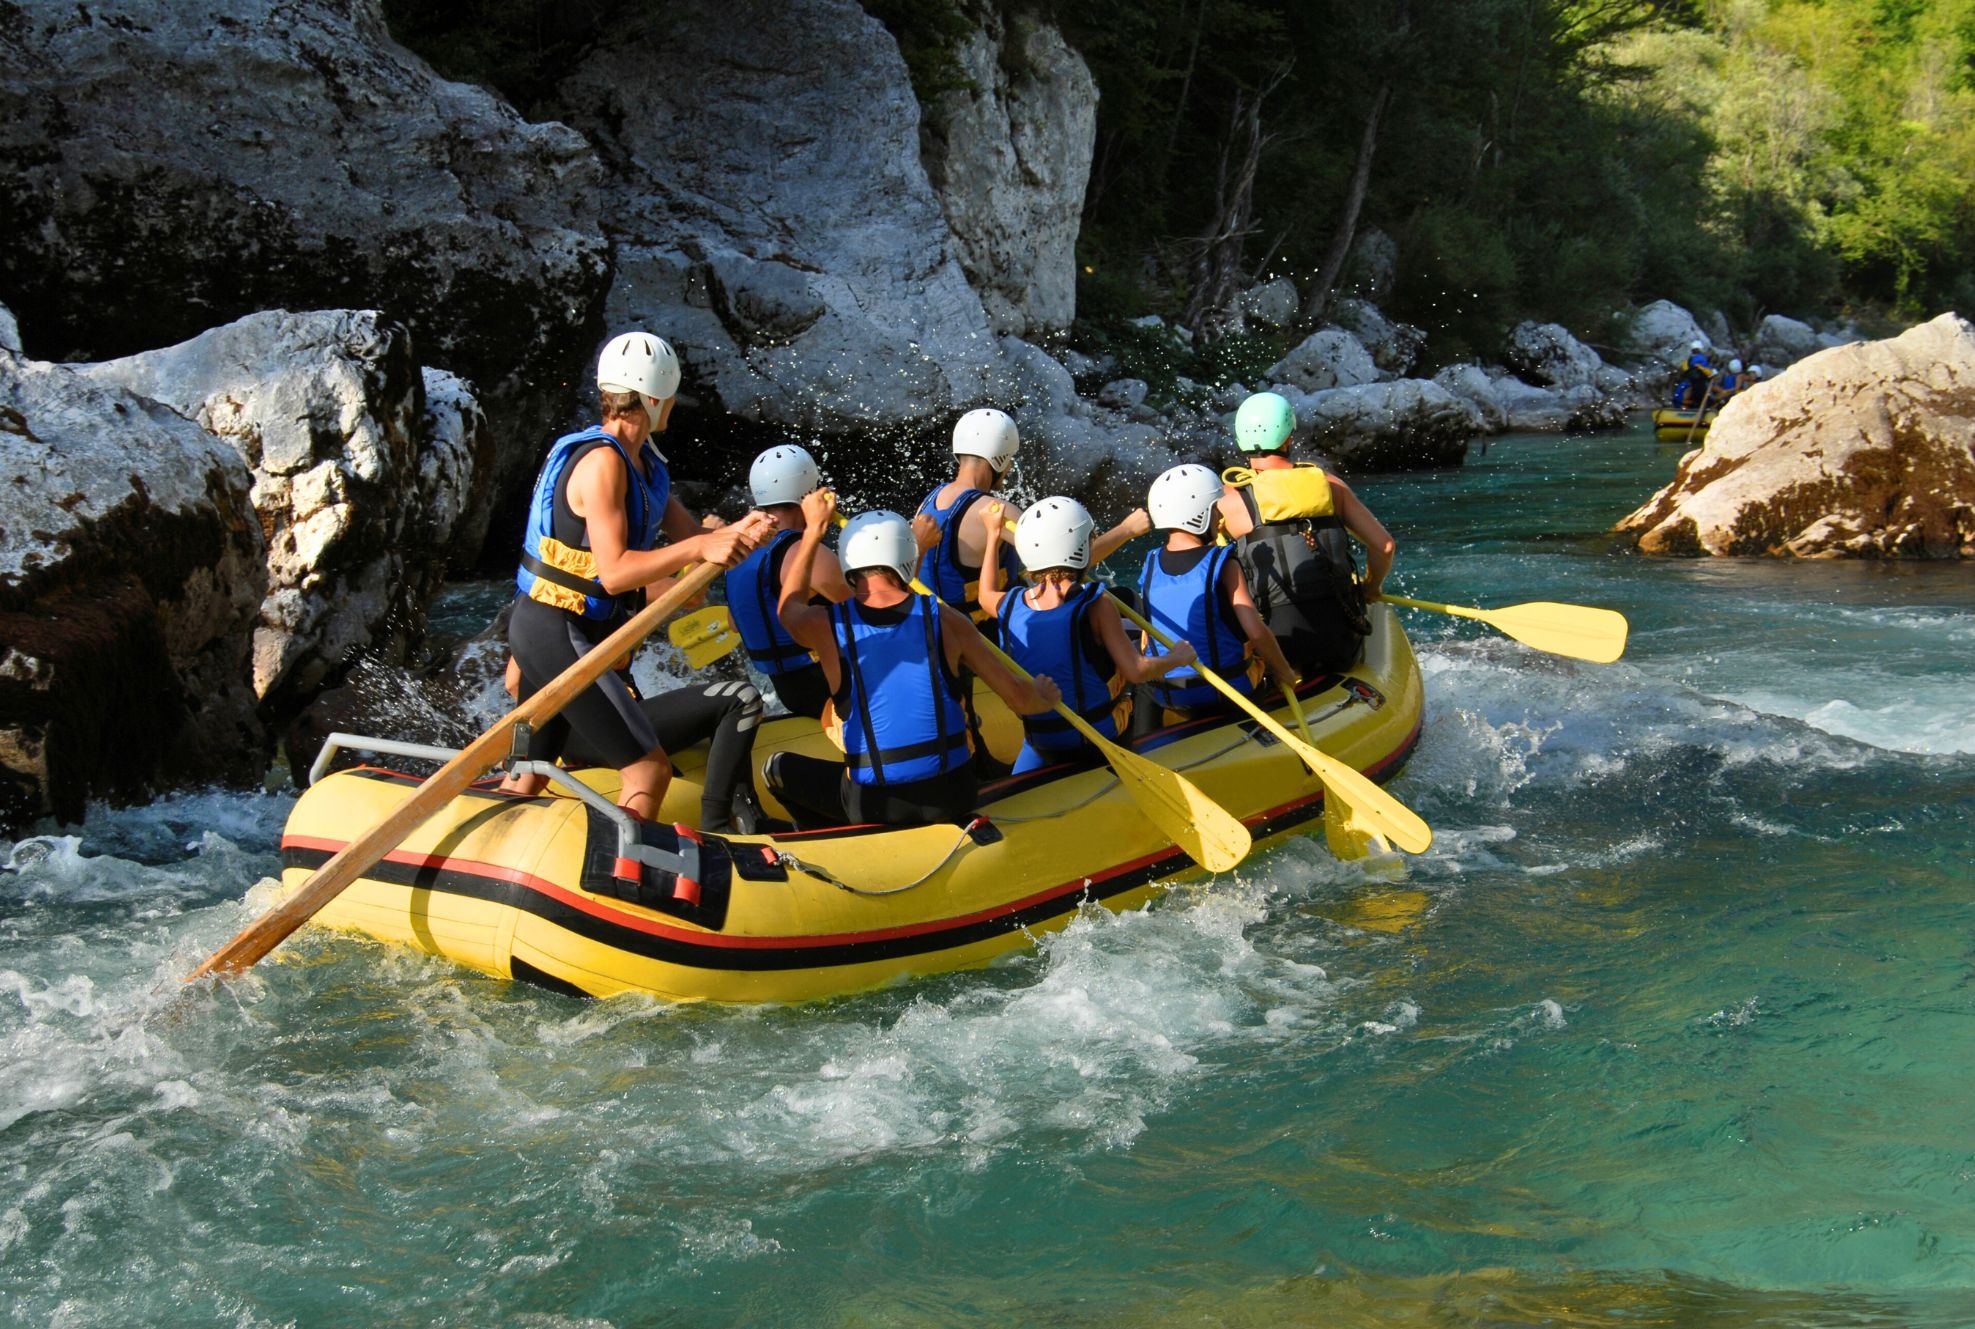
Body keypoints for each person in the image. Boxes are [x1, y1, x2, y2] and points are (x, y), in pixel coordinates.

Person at [501, 330, 778, 833]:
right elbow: (615, 573)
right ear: (653, 399)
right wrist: (700, 547)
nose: (673, 407)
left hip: (563, 634)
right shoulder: (604, 463)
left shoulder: (645, 464)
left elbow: (695, 544)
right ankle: (622, 877)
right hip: (557, 632)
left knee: (527, 779)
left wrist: (745, 531)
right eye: (670, 399)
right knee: (648, 767)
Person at [765, 491, 1060, 828]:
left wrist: (814, 531)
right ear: (908, 557)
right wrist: (1045, 695)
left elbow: (788, 608)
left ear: (847, 563)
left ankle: (834, 845)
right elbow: (1021, 700)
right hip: (953, 796)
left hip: (875, 805)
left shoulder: (825, 626)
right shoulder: (951, 622)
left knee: (776, 769)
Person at [974, 495, 1197, 774]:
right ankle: (1146, 745)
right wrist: (1177, 657)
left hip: (1042, 741)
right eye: (1089, 540)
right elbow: (1136, 670)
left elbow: (985, 595)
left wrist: (993, 535)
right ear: (1079, 549)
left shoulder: (1009, 604)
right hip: (1097, 742)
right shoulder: (1097, 605)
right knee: (1134, 660)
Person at [1213, 391, 1392, 676]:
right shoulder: (1330, 485)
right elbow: (1384, 546)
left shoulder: (1228, 501)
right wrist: (1371, 587)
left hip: (1278, 646)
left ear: (1240, 441)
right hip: (1341, 641)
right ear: (1288, 438)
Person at [1132, 463, 1301, 739]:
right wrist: (1284, 672)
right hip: (1228, 693)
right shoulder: (1223, 562)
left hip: (1169, 695)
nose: (1220, 518)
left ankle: (1148, 736)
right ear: (1198, 515)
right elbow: (1256, 631)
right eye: (1214, 510)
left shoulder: (1150, 564)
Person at [722, 444, 851, 721]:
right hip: (830, 687)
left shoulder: (738, 553)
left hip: (789, 691)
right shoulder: (806, 552)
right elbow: (870, 609)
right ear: (809, 495)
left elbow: (734, 622)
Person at [1672, 340, 1715, 409]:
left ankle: (1683, 407)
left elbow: (1684, 372)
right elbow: (1709, 373)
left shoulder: (1687, 361)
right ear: (1700, 349)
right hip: (1699, 386)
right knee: (1708, 397)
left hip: (1688, 384)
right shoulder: (1701, 358)